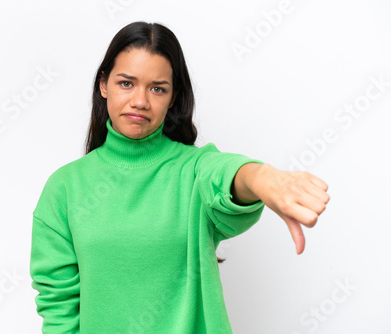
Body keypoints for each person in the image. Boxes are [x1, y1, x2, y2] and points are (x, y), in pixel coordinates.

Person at [29, 21, 330, 334]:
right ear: (104, 84)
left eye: (157, 88)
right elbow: (59, 307)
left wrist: (261, 178)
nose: (140, 101)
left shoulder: (194, 170)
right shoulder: (64, 188)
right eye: (126, 83)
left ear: (173, 97)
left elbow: (222, 174)